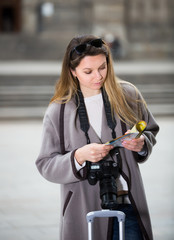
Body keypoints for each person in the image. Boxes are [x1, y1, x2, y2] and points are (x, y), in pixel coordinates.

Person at [35, 35, 159, 240]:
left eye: (103, 67)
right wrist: (79, 156)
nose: (98, 76)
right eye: (88, 71)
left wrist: (142, 143)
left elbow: (150, 130)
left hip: (130, 206)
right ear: (72, 72)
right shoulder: (58, 110)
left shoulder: (129, 94)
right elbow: (45, 164)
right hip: (83, 211)